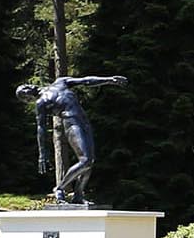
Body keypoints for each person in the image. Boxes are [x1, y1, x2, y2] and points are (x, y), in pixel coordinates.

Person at [16, 75, 128, 205]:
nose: (27, 88)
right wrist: (42, 153)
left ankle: (78, 195)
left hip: (84, 122)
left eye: (25, 86)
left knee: (90, 161)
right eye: (23, 92)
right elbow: (41, 129)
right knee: (85, 160)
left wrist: (108, 80)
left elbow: (86, 81)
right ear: (27, 99)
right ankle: (60, 188)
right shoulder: (41, 103)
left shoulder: (60, 82)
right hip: (71, 124)